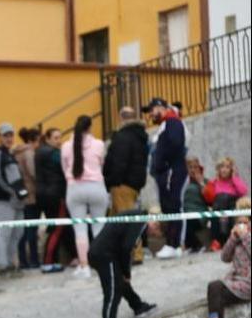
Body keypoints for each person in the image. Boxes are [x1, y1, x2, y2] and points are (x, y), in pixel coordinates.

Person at [89, 210, 159, 318]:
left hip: (106, 252)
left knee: (120, 283)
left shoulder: (137, 216)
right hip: (105, 255)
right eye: (155, 233)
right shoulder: (139, 222)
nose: (153, 236)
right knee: (112, 296)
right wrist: (126, 272)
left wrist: (123, 273)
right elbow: (127, 247)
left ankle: (138, 305)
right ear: (155, 224)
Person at [61, 115, 107, 278]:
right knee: (99, 228)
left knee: (79, 230)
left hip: (75, 188)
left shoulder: (66, 146)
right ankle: (101, 264)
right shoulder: (99, 144)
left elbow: (64, 167)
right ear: (90, 127)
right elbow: (101, 164)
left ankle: (84, 265)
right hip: (96, 187)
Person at [103, 106, 149, 263]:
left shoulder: (123, 137)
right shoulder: (140, 135)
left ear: (121, 118)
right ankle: (116, 252)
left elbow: (118, 163)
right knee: (117, 220)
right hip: (134, 183)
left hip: (122, 184)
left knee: (127, 220)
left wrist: (110, 180)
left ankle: (136, 253)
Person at [202, 198, 251, 318]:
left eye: (244, 220)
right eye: (238, 220)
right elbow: (225, 257)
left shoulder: (247, 236)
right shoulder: (237, 235)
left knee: (217, 287)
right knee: (214, 287)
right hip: (237, 281)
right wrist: (232, 238)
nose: (241, 223)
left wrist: (245, 236)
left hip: (249, 283)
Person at [145, 97, 187, 259]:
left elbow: (175, 145)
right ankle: (172, 244)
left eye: (152, 110)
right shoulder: (165, 124)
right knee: (169, 206)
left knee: (174, 206)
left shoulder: (172, 122)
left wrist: (163, 164)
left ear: (160, 107)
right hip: (167, 173)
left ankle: (174, 244)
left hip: (172, 172)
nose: (150, 114)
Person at [0, 123, 29, 276]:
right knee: (4, 233)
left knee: (17, 232)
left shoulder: (9, 153)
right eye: (5, 135)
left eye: (11, 135)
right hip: (3, 200)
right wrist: (11, 191)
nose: (9, 138)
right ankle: (3, 266)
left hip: (17, 200)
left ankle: (12, 263)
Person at [36, 127, 75, 273]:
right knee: (57, 229)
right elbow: (67, 166)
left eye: (60, 137)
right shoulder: (52, 153)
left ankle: (54, 259)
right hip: (55, 194)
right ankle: (48, 262)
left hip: (45, 194)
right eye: (56, 138)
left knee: (57, 227)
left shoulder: (40, 151)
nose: (59, 141)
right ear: (47, 139)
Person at [203, 157, 249, 249]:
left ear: (231, 169)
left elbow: (243, 191)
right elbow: (208, 197)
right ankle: (216, 241)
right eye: (222, 167)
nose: (224, 170)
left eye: (227, 167)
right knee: (218, 203)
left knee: (229, 202)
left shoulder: (234, 181)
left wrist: (234, 177)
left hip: (232, 209)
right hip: (218, 210)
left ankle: (232, 239)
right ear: (218, 169)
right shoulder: (214, 182)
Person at [13, 127, 42, 269]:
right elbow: (33, 172)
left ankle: (23, 260)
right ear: (32, 140)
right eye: (38, 141)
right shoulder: (29, 153)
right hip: (31, 193)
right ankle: (34, 260)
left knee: (23, 229)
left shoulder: (16, 153)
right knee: (31, 229)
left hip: (20, 193)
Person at [182, 156, 211, 251]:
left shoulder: (206, 181)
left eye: (195, 167)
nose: (193, 170)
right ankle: (193, 245)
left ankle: (195, 245)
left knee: (190, 220)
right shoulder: (182, 183)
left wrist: (201, 183)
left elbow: (210, 199)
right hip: (184, 213)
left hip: (199, 214)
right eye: (190, 167)